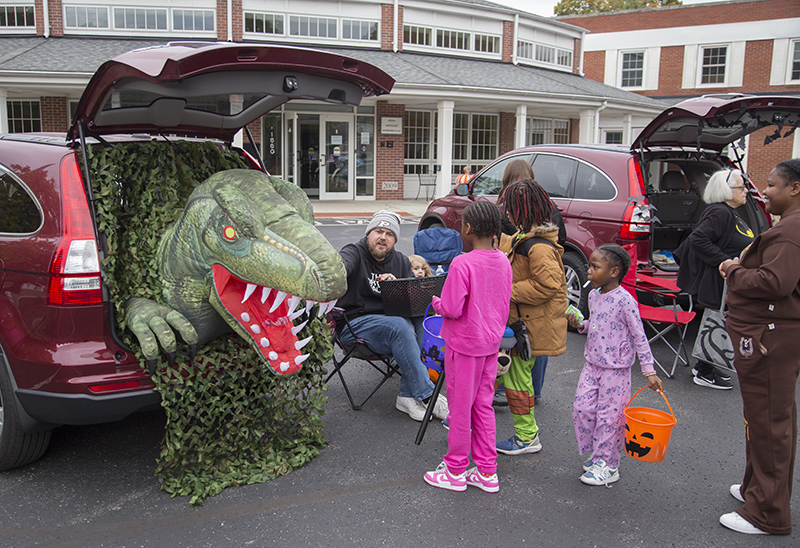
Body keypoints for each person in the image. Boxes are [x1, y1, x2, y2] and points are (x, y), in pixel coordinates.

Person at [717, 159, 800, 535]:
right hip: (772, 336)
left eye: (772, 184)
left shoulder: (791, 232)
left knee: (769, 422)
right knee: (765, 419)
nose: (764, 191)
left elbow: (774, 282)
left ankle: (766, 513)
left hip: (770, 339)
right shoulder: (789, 228)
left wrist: (734, 269)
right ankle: (757, 489)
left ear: (794, 188)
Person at [423, 202, 512, 493]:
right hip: (490, 344)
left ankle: (455, 469)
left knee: (459, 409)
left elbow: (451, 307)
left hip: (463, 346)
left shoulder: (463, 263)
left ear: (469, 229)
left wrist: (436, 302)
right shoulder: (503, 261)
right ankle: (487, 471)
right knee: (482, 406)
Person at [337, 210, 448, 422]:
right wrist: (339, 268)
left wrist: (395, 287)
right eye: (378, 231)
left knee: (422, 320)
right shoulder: (355, 251)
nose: (383, 237)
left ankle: (406, 396)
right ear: (369, 233)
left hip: (392, 325)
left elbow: (412, 304)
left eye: (389, 234)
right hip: (354, 325)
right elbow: (343, 264)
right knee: (399, 325)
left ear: (395, 240)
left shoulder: (399, 261)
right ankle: (428, 394)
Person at [569, 244, 663, 486]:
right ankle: (598, 455)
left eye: (594, 267)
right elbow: (597, 325)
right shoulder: (592, 295)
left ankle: (609, 464)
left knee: (609, 418)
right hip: (592, 364)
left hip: (616, 370)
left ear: (614, 271)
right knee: (582, 408)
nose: (588, 271)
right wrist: (581, 324)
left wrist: (648, 370)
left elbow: (639, 336)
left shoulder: (625, 301)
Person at [495, 179, 568, 455]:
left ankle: (527, 437)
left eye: (511, 209)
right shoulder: (523, 239)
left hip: (531, 329)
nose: (507, 214)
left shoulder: (538, 248)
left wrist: (509, 291)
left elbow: (549, 285)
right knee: (507, 376)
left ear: (522, 211)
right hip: (523, 325)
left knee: (517, 382)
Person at [674, 168, 754, 390]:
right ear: (726, 190)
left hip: (726, 279)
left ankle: (706, 365)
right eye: (740, 187)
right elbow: (699, 239)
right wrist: (724, 261)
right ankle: (704, 371)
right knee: (714, 321)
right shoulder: (720, 212)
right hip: (717, 278)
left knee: (716, 320)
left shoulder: (730, 212)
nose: (745, 190)